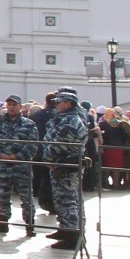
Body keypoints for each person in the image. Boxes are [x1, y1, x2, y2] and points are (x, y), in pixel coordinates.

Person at [0, 95, 41, 237]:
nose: (11, 107)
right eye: (9, 104)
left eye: (14, 105)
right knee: (3, 196)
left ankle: (29, 225)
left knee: (26, 198)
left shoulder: (29, 124)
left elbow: (33, 145)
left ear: (20, 107)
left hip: (21, 167)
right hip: (2, 166)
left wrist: (17, 156)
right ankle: (3, 223)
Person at [42, 88, 90, 250]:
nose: (55, 105)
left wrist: (48, 159)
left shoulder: (71, 120)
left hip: (66, 166)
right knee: (61, 199)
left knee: (69, 201)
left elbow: (58, 144)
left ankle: (73, 236)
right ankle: (65, 229)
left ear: (68, 103)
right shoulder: (64, 118)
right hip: (60, 166)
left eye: (59, 102)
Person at [99, 108, 130, 189]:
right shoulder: (120, 124)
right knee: (117, 167)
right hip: (118, 148)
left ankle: (105, 183)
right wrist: (121, 143)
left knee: (106, 166)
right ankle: (115, 184)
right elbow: (125, 136)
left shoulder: (102, 124)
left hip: (106, 147)